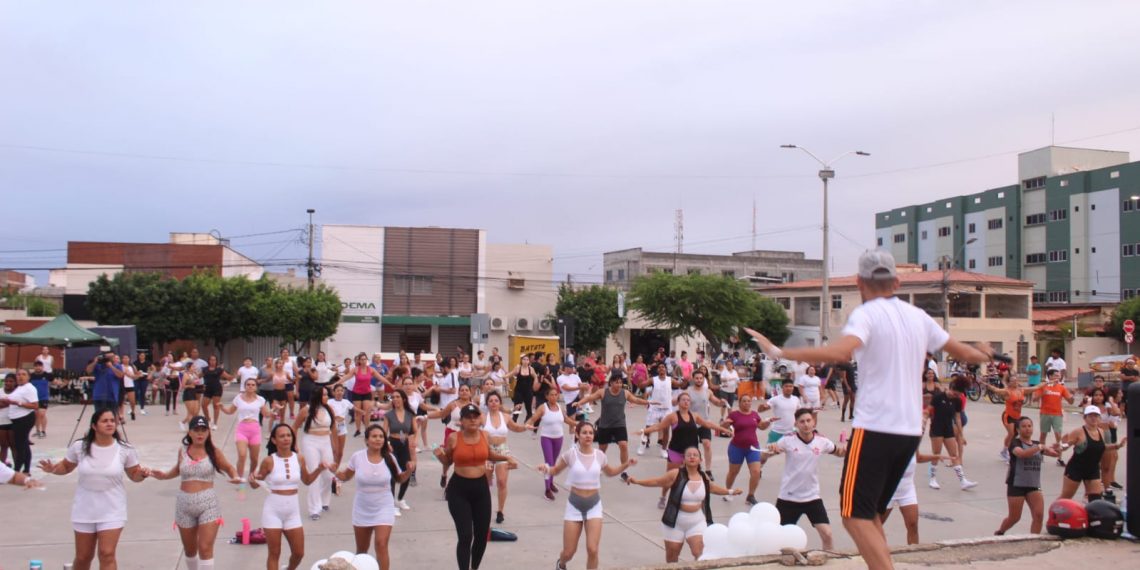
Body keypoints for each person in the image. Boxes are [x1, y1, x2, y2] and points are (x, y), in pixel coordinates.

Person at [744, 248, 993, 570]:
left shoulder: (867, 314)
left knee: (853, 516)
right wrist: (985, 352)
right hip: (909, 432)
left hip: (875, 428)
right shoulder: (918, 316)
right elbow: (967, 354)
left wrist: (778, 351)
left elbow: (840, 352)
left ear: (860, 282)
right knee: (872, 513)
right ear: (897, 282)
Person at [38, 409, 150, 570]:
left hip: (112, 509)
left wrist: (142, 474)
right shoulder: (80, 447)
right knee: (83, 557)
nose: (110, 424)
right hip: (84, 509)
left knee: (107, 553)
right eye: (104, 421)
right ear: (94, 426)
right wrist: (53, 469)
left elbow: (134, 475)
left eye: (112, 420)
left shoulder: (125, 449)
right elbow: (66, 467)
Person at [148, 416, 241, 570]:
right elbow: (178, 470)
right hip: (184, 504)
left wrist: (235, 476)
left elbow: (229, 468)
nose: (200, 433)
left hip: (208, 504)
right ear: (189, 432)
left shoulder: (214, 452)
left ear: (208, 432)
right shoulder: (183, 451)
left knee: (205, 548)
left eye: (203, 430)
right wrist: (164, 476)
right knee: (190, 550)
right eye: (196, 430)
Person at [541, 421, 637, 570]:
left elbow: (610, 472)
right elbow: (556, 470)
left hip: (594, 506)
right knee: (569, 552)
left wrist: (626, 465)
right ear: (577, 435)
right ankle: (561, 564)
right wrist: (546, 469)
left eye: (591, 433)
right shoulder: (570, 455)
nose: (588, 436)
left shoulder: (600, 455)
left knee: (593, 550)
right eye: (584, 433)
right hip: (574, 506)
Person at [435, 403, 518, 570]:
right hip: (459, 490)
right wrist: (439, 456)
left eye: (475, 417)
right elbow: (448, 461)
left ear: (480, 419)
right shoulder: (454, 438)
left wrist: (506, 458)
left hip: (480, 488)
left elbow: (489, 454)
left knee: (481, 535)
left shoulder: (485, 435)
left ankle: (474, 567)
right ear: (462, 421)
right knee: (466, 535)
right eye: (468, 418)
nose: (472, 420)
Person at [626, 446, 740, 563]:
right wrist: (637, 481)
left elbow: (713, 488)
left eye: (695, 455)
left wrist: (730, 492)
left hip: (697, 521)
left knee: (700, 553)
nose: (692, 457)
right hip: (675, 522)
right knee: (672, 556)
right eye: (688, 455)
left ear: (700, 460)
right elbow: (657, 481)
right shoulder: (675, 474)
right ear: (684, 460)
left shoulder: (704, 477)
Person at [248, 423, 332, 570]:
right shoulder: (269, 461)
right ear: (274, 440)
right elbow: (256, 484)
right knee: (274, 553)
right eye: (282, 436)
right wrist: (252, 480)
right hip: (273, 511)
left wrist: (319, 469)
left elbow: (307, 480)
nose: (286, 439)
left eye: (288, 435)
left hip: (293, 513)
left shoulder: (299, 458)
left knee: (299, 553)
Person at [762, 409, 847, 550]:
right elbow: (762, 458)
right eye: (802, 422)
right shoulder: (787, 440)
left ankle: (829, 559)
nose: (806, 424)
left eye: (808, 420)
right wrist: (769, 450)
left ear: (813, 422)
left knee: (827, 534)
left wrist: (846, 451)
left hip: (812, 497)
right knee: (779, 539)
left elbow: (838, 452)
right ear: (796, 424)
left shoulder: (822, 441)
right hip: (788, 498)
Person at [335, 425, 413, 570]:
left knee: (381, 544)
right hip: (362, 508)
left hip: (384, 507)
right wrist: (334, 470)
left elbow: (399, 478)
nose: (378, 439)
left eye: (381, 436)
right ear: (366, 440)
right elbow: (346, 476)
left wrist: (408, 471)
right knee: (361, 551)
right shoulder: (357, 457)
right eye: (374, 436)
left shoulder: (389, 458)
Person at [641, 392, 731, 509]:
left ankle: (691, 499)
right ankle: (663, 497)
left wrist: (723, 429)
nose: (686, 402)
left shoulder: (694, 416)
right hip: (676, 452)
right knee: (669, 478)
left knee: (694, 478)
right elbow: (659, 426)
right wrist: (645, 431)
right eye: (683, 400)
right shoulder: (673, 416)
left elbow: (707, 424)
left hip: (691, 454)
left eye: (688, 400)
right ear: (678, 402)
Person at [993, 417, 1061, 535]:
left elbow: (1055, 454)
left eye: (1029, 426)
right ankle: (1000, 531)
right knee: (1014, 517)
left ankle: (1033, 539)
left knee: (1038, 515)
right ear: (1018, 430)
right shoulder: (1015, 443)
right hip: (1017, 484)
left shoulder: (1036, 444)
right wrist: (1039, 447)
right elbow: (1022, 454)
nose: (1027, 429)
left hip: (1034, 485)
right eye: (1024, 426)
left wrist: (1059, 448)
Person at [574, 375, 650, 468]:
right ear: (611, 383)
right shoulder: (603, 392)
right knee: (602, 449)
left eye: (620, 383)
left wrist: (648, 402)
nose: (619, 385)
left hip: (620, 424)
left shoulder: (625, 393)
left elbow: (636, 400)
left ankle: (624, 469)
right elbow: (590, 398)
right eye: (617, 382)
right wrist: (579, 403)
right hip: (605, 425)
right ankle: (599, 467)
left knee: (623, 445)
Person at [481, 390, 532, 523]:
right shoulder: (483, 417)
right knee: (485, 482)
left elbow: (515, 428)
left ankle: (500, 511)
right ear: (487, 403)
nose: (493, 403)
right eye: (491, 401)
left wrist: (525, 427)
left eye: (496, 401)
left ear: (500, 403)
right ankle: (483, 508)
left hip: (503, 451)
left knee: (502, 482)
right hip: (487, 452)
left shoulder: (505, 417)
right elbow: (472, 426)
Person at [1058, 406, 1126, 502]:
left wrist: (1117, 446)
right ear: (1085, 418)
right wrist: (1061, 445)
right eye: (1090, 416)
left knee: (1095, 499)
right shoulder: (1078, 432)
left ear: (1099, 418)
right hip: (1076, 469)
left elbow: (1101, 447)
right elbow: (1065, 446)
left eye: (1096, 416)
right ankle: (1054, 511)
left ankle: (1091, 511)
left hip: (1092, 469)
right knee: (1065, 498)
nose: (1093, 418)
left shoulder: (1101, 431)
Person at [880, 451, 944, 545]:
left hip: (907, 489)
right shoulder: (885, 442)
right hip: (886, 490)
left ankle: (914, 551)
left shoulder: (914, 442)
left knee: (912, 525)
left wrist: (935, 456)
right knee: (876, 526)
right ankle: (871, 551)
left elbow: (918, 458)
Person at [526, 387, 580, 501]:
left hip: (559, 438)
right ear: (546, 396)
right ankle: (547, 490)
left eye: (556, 395)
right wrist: (527, 424)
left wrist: (577, 424)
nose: (554, 397)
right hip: (547, 438)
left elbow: (566, 420)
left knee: (553, 463)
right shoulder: (543, 407)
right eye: (551, 395)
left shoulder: (560, 407)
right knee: (549, 463)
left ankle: (551, 483)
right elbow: (534, 418)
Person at [293, 386, 338, 520]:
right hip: (311, 441)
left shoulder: (329, 409)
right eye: (324, 395)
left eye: (327, 395)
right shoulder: (306, 410)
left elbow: (333, 429)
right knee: (314, 473)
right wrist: (294, 445)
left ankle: (324, 501)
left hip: (326, 441)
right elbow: (294, 427)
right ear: (317, 396)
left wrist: (335, 446)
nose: (326, 397)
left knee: (328, 474)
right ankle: (314, 509)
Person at [926, 377, 977, 490]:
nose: (956, 396)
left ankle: (963, 481)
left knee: (954, 455)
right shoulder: (938, 397)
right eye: (955, 393)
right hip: (936, 428)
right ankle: (932, 479)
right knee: (936, 453)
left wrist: (961, 435)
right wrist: (923, 422)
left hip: (948, 429)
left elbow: (958, 418)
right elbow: (928, 410)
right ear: (951, 388)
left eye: (958, 395)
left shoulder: (957, 400)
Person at [720, 393, 771, 505]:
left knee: (756, 472)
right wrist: (725, 424)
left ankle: (750, 496)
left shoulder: (754, 414)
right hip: (736, 448)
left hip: (753, 448)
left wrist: (768, 422)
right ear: (739, 403)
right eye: (744, 401)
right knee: (733, 472)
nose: (747, 403)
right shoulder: (734, 415)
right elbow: (722, 428)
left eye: (749, 401)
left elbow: (761, 426)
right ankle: (728, 491)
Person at [220, 378, 275, 481]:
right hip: (242, 429)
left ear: (256, 387)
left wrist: (274, 410)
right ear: (245, 386)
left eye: (253, 385)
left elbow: (266, 414)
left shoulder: (260, 400)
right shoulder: (238, 398)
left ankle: (251, 476)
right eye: (248, 384)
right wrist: (222, 407)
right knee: (242, 455)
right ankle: (239, 478)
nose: (250, 386)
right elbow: (230, 411)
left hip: (255, 430)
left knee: (254, 459)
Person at [983, 375, 1044, 463]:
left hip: (1017, 416)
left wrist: (1047, 382)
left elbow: (1036, 387)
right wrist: (987, 385)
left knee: (1014, 435)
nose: (1015, 382)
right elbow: (996, 390)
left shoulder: (1022, 390)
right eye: (1012, 381)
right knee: (1011, 434)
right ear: (1009, 383)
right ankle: (1009, 454)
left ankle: (1004, 451)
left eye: (1016, 380)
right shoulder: (1007, 391)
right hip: (1008, 416)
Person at [381, 389, 418, 515]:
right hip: (393, 444)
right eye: (393, 397)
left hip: (405, 444)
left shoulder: (410, 414)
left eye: (398, 397)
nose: (395, 399)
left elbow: (415, 431)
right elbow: (384, 433)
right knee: (392, 475)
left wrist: (414, 441)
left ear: (403, 399)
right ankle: (391, 504)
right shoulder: (388, 415)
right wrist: (387, 445)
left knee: (407, 471)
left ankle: (400, 499)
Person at [683, 370, 726, 477]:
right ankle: (691, 469)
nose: (699, 380)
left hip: (705, 422)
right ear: (693, 379)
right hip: (691, 423)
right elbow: (681, 404)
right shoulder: (688, 391)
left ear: (704, 379)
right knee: (692, 448)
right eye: (697, 378)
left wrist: (721, 403)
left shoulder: (708, 392)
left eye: (701, 378)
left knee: (707, 444)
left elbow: (716, 402)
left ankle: (708, 470)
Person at [2, 370, 38, 474]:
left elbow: (35, 405)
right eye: (18, 374)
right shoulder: (20, 387)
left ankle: (17, 470)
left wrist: (17, 403)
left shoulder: (29, 388)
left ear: (29, 377)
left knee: (20, 446)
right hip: (17, 419)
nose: (20, 376)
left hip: (24, 419)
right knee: (24, 444)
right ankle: (26, 470)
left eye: (23, 374)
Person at [1037, 369, 1074, 466]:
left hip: (1057, 414)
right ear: (1050, 376)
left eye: (1059, 376)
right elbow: (1034, 398)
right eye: (1056, 375)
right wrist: (1043, 393)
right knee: (1043, 435)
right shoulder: (1043, 386)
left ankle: (1059, 458)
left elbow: (1070, 401)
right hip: (1045, 413)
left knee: (1058, 435)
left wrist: (1072, 396)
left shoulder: (1061, 387)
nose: (1058, 377)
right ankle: (1040, 454)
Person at [638, 364, 675, 458]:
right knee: (648, 429)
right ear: (657, 370)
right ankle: (642, 445)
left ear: (666, 369)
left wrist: (686, 380)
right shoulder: (653, 380)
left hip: (666, 408)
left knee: (666, 430)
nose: (661, 368)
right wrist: (640, 381)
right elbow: (642, 385)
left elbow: (680, 385)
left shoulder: (670, 380)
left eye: (663, 367)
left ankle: (664, 449)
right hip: (654, 408)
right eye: (659, 367)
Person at [348, 354, 383, 437]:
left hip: (367, 393)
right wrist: (336, 383)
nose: (363, 361)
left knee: (367, 412)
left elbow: (381, 377)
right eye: (362, 359)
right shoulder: (355, 369)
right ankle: (358, 430)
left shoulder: (371, 369)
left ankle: (367, 430)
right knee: (358, 413)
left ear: (367, 360)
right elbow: (346, 377)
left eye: (365, 359)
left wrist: (390, 384)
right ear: (359, 361)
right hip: (357, 392)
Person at [200, 355, 232, 430]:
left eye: (214, 360)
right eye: (211, 360)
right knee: (203, 405)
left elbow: (229, 377)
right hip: (207, 389)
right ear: (209, 361)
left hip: (217, 389)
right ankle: (208, 419)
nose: (212, 361)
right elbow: (198, 376)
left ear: (216, 361)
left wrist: (229, 381)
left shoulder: (219, 370)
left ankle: (215, 423)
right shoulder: (205, 369)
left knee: (216, 406)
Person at [766, 379, 802, 444]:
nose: (789, 388)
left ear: (793, 387)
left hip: (791, 432)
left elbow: (799, 413)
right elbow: (762, 409)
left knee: (793, 450)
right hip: (777, 431)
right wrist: (763, 407)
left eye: (790, 386)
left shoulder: (796, 399)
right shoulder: (775, 399)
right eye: (786, 386)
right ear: (782, 387)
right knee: (770, 450)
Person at [506, 355, 538, 421]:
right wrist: (503, 377)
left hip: (528, 391)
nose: (525, 361)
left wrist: (535, 384)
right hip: (519, 391)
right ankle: (514, 420)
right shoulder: (518, 368)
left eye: (527, 360)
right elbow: (511, 374)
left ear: (529, 361)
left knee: (528, 408)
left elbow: (535, 377)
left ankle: (528, 421)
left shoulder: (531, 369)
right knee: (517, 407)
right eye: (524, 359)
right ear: (521, 360)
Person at [29, 361, 52, 437]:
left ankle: (43, 431)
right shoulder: (31, 376)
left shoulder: (47, 375)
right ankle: (37, 431)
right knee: (36, 415)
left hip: (44, 398)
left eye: (40, 366)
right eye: (36, 366)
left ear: (42, 367)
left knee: (42, 414)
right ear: (34, 367)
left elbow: (54, 381)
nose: (38, 367)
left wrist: (62, 383)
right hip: (34, 398)